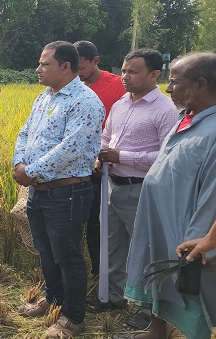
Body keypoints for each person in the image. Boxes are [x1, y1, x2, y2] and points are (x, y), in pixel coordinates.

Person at [123, 52, 216, 339]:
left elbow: (214, 192)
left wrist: (206, 239)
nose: (167, 88)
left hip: (188, 229)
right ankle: (156, 331)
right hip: (160, 220)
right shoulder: (186, 118)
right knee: (159, 279)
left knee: (195, 290)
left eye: (175, 82)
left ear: (200, 84)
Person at [13, 41, 104, 338]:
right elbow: (25, 132)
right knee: (46, 251)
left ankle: (73, 317)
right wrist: (19, 163)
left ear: (66, 67)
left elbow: (72, 149)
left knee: (68, 256)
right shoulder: (45, 98)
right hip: (40, 191)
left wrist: (31, 171)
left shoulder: (84, 102)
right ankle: (53, 299)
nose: (38, 69)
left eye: (44, 64)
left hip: (67, 192)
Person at [84, 49, 178, 314]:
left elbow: (166, 155)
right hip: (112, 186)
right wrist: (100, 158)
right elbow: (106, 136)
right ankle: (114, 297)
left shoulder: (164, 110)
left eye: (133, 72)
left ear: (154, 74)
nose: (125, 76)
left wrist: (121, 156)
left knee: (146, 249)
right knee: (112, 245)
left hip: (141, 189)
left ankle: (149, 310)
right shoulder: (120, 104)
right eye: (124, 70)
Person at [73, 40, 126, 277]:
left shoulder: (117, 86)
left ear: (96, 61)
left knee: (98, 222)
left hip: (102, 165)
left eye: (81, 67)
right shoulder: (69, 84)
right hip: (74, 165)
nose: (77, 73)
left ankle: (100, 272)